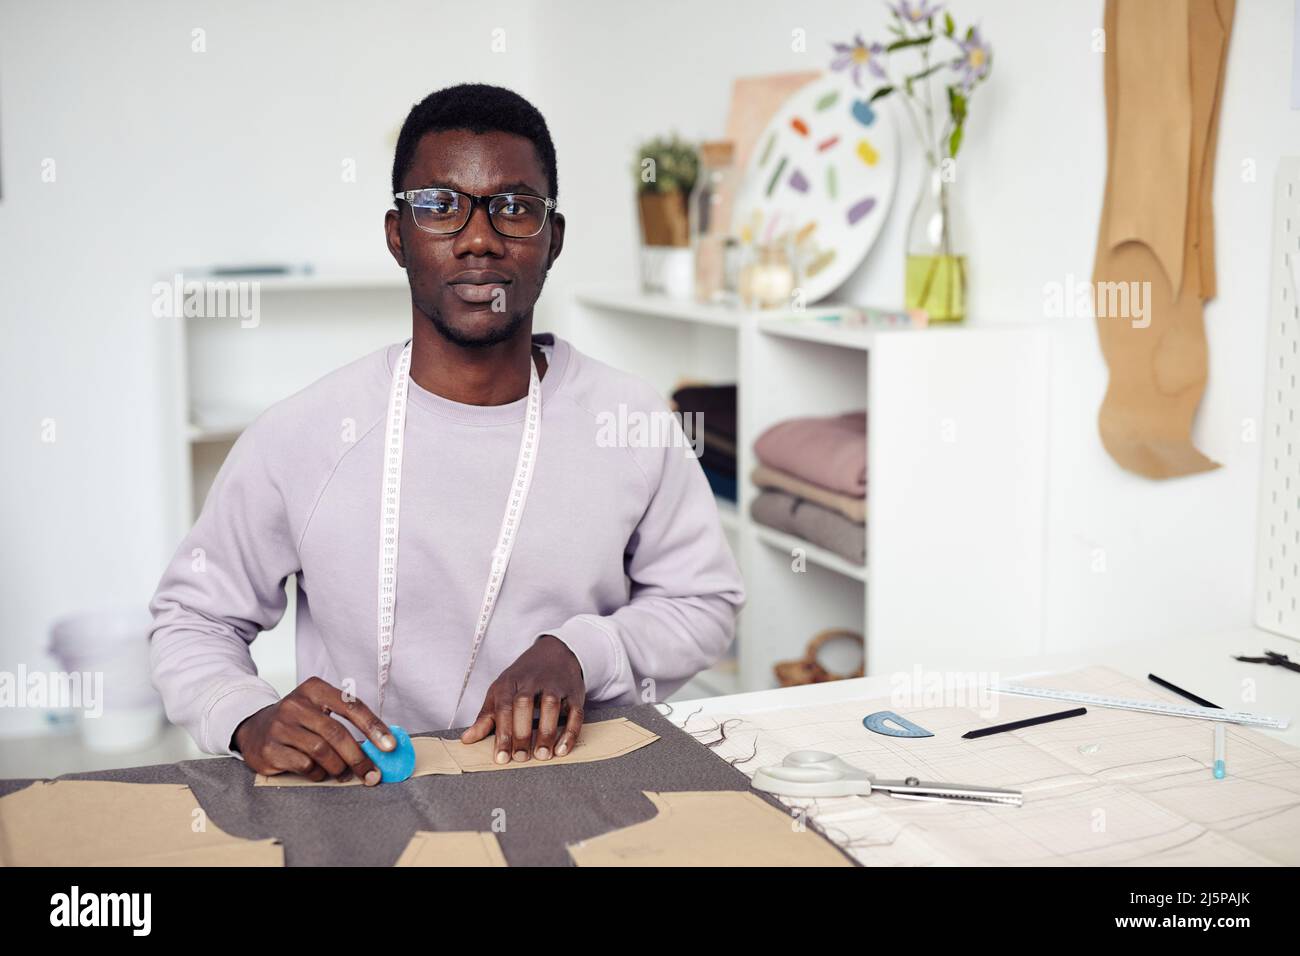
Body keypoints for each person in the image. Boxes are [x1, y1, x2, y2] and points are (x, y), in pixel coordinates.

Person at [148, 83, 745, 786]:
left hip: (578, 787)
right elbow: (192, 617)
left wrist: (586, 651)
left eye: (515, 207)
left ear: (552, 240)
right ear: (398, 236)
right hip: (361, 797)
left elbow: (706, 604)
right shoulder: (304, 434)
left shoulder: (631, 422)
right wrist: (245, 714)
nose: (479, 238)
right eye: (439, 206)